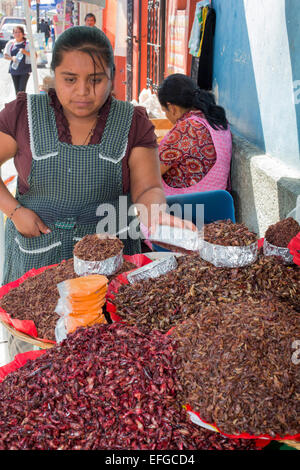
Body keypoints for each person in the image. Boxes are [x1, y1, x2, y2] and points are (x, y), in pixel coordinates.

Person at [0, 26, 195, 288]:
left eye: (95, 80)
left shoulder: (131, 122)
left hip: (111, 264)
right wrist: (14, 211)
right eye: (70, 79)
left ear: (112, 78)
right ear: (54, 76)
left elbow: (147, 187)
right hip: (36, 255)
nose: (83, 91)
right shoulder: (24, 114)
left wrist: (156, 214)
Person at [157, 73, 232, 196]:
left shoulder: (187, 128)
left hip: (188, 207)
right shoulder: (216, 121)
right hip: (216, 205)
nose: (167, 116)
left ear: (172, 108)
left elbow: (151, 172)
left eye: (165, 111)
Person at [4, 26, 32, 95]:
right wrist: (12, 58)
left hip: (25, 70)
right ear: (13, 34)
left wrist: (25, 52)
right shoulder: (10, 43)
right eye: (15, 32)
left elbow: (35, 55)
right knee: (17, 92)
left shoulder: (28, 43)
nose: (17, 34)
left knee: (21, 91)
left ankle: (22, 105)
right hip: (14, 70)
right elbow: (5, 56)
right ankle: (19, 105)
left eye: (19, 32)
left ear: (23, 33)